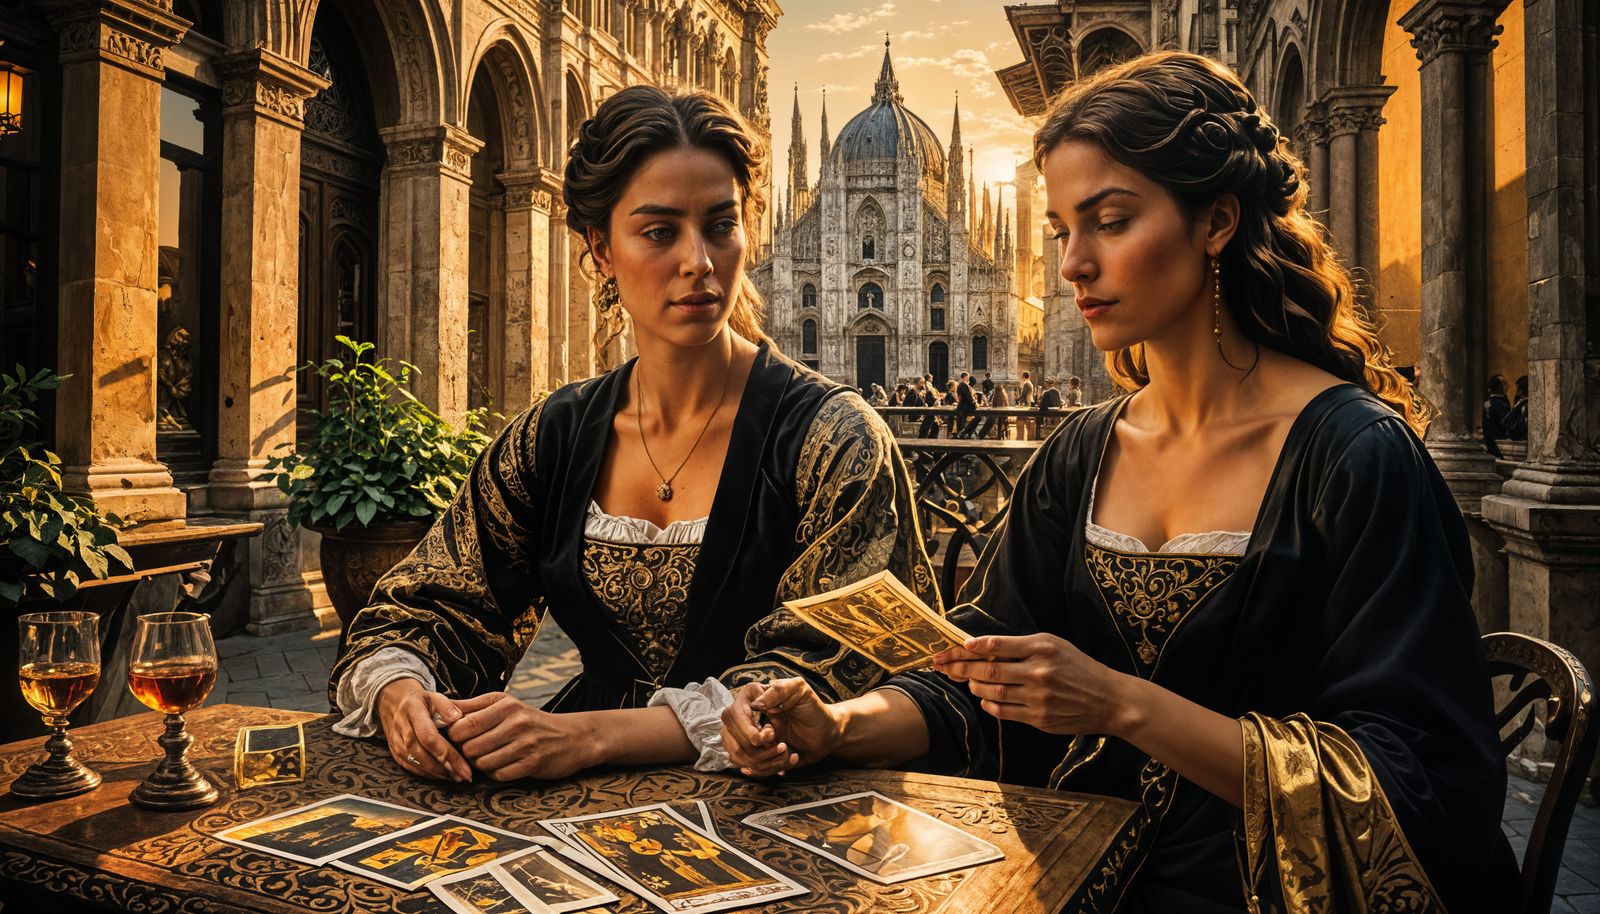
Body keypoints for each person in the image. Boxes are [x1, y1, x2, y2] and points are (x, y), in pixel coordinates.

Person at [717, 51, 1517, 914]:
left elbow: (1420, 787)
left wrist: (1121, 706)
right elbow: (980, 674)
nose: (1071, 266)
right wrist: (839, 725)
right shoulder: (1082, 453)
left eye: (1109, 221)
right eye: (1062, 229)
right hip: (1080, 867)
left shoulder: (1357, 456)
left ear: (1215, 221)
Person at [329, 85, 939, 785]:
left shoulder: (833, 439)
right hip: (576, 794)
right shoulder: (555, 435)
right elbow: (435, 599)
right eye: (659, 231)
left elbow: (841, 666)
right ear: (601, 248)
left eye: (719, 225)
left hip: (778, 809)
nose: (698, 262)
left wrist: (588, 736)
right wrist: (401, 692)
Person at [1482, 374, 1511, 458]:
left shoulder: (1488, 401)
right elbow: (1506, 423)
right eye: (1505, 384)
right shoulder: (1500, 404)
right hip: (1499, 443)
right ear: (1498, 387)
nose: (1508, 386)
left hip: (1489, 440)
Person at [1504, 374, 1528, 441]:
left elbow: (1520, 424)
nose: (1516, 390)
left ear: (1521, 390)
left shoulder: (1525, 405)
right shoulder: (1519, 401)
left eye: (1517, 388)